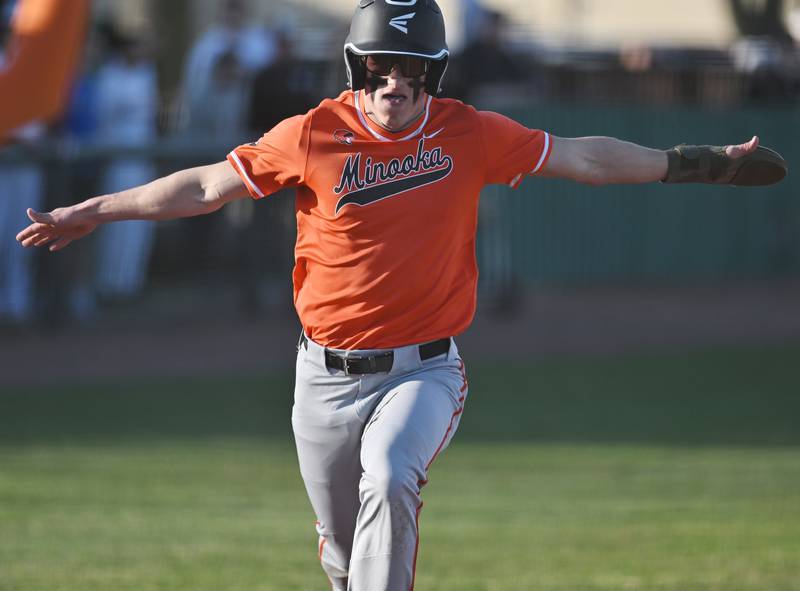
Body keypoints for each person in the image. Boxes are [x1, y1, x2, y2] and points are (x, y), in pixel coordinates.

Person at [15, 1, 786, 589]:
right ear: (356, 69)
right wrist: (95, 209)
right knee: (345, 551)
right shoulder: (314, 133)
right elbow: (208, 184)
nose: (395, 86)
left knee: (389, 471)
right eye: (380, 69)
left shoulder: (467, 131)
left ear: (434, 75)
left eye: (412, 72)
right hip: (321, 377)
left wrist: (698, 161)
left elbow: (584, 156)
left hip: (424, 369)